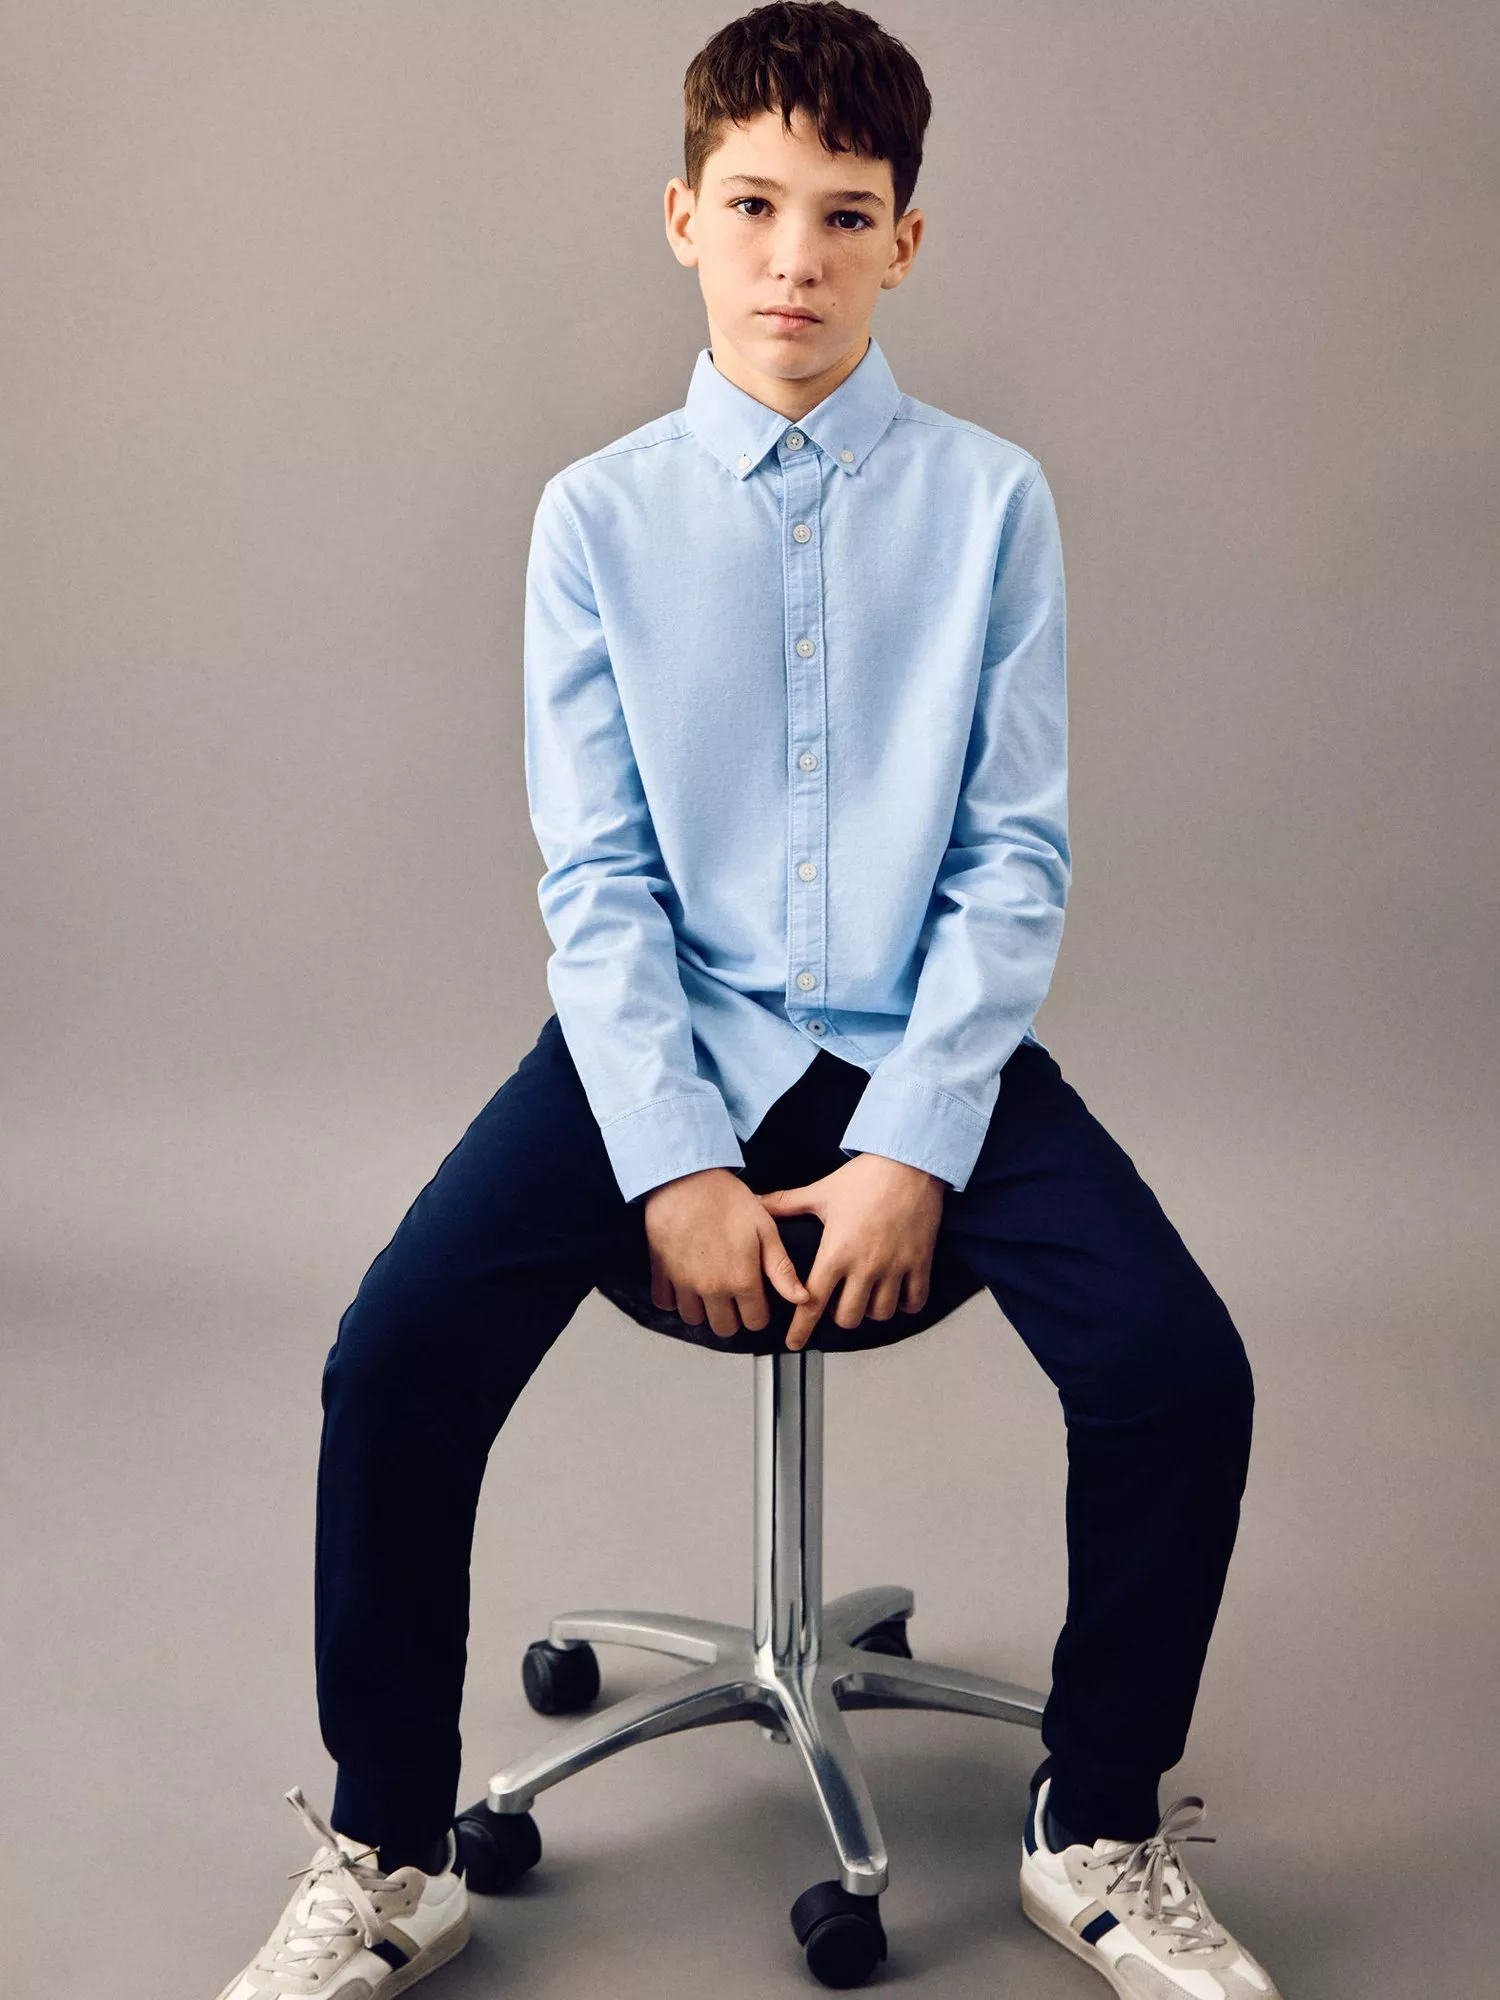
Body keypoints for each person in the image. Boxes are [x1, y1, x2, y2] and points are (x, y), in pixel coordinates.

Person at [215, 6, 1282, 1997]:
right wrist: (675, 1153)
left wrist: (912, 1144)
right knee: (391, 1358)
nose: (797, 258)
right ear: (687, 217)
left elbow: (1013, 857)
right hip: (662, 1039)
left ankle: (1101, 1818)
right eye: (759, 207)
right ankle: (384, 1847)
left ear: (906, 242)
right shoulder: (595, 519)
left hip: (919, 1039)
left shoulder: (993, 506)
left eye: (845, 215)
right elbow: (598, 881)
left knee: (1180, 1369)